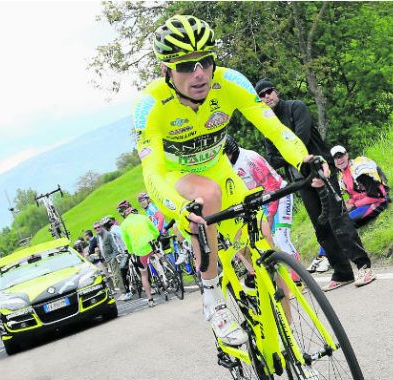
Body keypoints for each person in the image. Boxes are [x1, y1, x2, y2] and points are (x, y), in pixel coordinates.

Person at [133, 14, 327, 347]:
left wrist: (302, 158)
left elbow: (274, 128)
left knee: (264, 250)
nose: (198, 73)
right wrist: (179, 207)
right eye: (185, 66)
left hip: (221, 171)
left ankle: (291, 348)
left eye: (205, 62)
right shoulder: (150, 105)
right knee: (206, 194)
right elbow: (151, 172)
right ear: (166, 70)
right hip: (176, 180)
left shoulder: (230, 82)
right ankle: (213, 301)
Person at [255, 77, 376, 291]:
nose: (267, 97)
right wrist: (287, 156)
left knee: (337, 219)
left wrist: (284, 154)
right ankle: (343, 272)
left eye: (269, 91)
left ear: (276, 92)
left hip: (321, 169)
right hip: (300, 180)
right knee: (321, 227)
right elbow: (271, 159)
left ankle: (363, 266)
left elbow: (298, 141)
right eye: (262, 95)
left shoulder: (296, 107)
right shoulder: (266, 125)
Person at [223, 134, 302, 279]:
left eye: (224, 156)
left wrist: (270, 215)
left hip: (279, 194)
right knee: (264, 243)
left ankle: (298, 277)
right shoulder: (229, 167)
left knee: (280, 237)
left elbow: (271, 185)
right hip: (260, 202)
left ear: (230, 152)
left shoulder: (249, 159)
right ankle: (276, 276)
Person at [329, 145, 391, 228]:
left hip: (379, 201)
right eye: (335, 158)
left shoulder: (359, 169)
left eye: (341, 156)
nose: (339, 160)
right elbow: (356, 195)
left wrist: (355, 204)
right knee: (337, 219)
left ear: (347, 155)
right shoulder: (342, 176)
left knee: (345, 224)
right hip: (365, 202)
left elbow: (376, 196)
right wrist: (349, 203)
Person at [116, 200, 158, 308]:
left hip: (140, 252)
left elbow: (128, 244)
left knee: (144, 274)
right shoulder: (143, 217)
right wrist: (155, 237)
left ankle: (150, 299)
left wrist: (131, 252)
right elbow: (155, 231)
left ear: (122, 213)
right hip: (151, 246)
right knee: (158, 255)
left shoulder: (124, 225)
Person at [97, 216, 124, 297]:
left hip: (113, 258)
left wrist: (115, 256)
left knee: (117, 276)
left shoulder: (108, 234)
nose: (97, 229)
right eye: (95, 228)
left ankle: (124, 292)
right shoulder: (100, 237)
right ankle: (125, 290)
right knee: (116, 276)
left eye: (99, 227)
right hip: (108, 259)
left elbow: (115, 245)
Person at [107, 216, 133, 301]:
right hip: (127, 250)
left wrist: (125, 249)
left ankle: (128, 292)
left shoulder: (114, 230)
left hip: (126, 251)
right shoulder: (115, 229)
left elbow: (122, 238)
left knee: (123, 272)